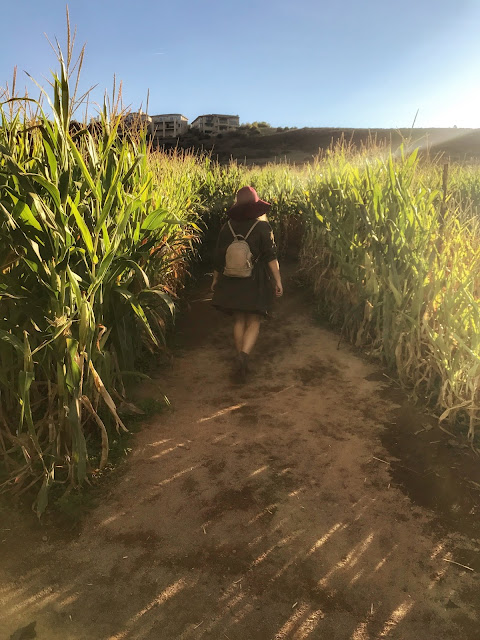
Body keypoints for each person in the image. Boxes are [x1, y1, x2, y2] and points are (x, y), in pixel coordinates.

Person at [211, 186, 283, 381]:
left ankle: (239, 356)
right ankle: (243, 357)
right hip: (255, 279)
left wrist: (216, 279)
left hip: (231, 278)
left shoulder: (227, 227)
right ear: (255, 205)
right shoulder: (262, 227)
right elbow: (270, 257)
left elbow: (219, 256)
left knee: (239, 320)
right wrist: (278, 281)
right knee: (254, 320)